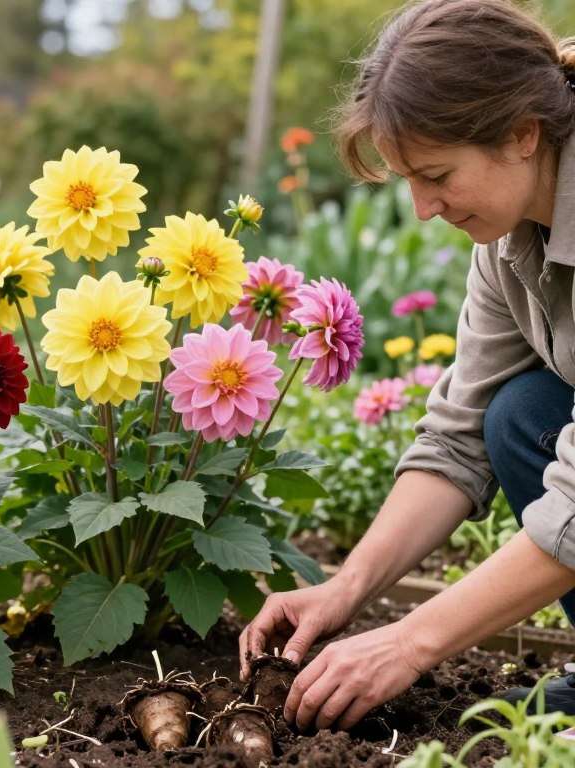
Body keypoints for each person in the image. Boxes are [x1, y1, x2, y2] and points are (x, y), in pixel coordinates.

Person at [238, 0, 575, 733]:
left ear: (522, 135)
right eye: (409, 182)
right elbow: (456, 436)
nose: (423, 208)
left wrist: (412, 641)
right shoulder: (509, 242)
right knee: (520, 412)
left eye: (437, 175)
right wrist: (346, 588)